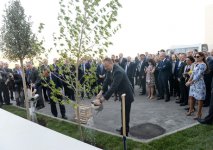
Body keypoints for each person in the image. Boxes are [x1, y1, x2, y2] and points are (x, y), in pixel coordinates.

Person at [93, 58, 134, 136]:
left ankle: (125, 132)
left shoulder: (118, 71)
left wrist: (101, 100)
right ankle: (123, 128)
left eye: (106, 66)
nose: (105, 68)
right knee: (123, 112)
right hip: (121, 94)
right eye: (104, 66)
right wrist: (100, 92)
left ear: (111, 63)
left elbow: (113, 86)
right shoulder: (110, 69)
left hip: (127, 94)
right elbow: (106, 81)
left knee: (125, 113)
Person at [186, 52, 208, 120]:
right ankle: (190, 110)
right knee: (191, 97)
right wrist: (189, 81)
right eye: (195, 56)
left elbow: (198, 75)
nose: (196, 57)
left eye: (198, 56)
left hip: (199, 84)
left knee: (199, 99)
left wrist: (190, 82)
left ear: (202, 57)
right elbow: (193, 73)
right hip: (193, 84)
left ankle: (199, 113)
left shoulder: (203, 65)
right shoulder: (196, 64)